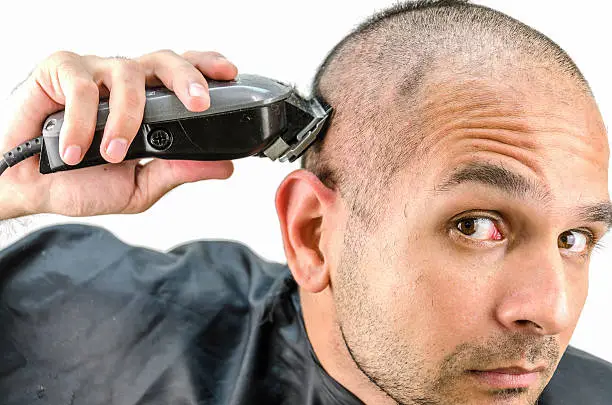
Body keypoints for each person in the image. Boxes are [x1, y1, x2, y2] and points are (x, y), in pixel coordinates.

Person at [0, 0, 610, 404]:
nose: (551, 310)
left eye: (577, 238)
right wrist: (8, 188)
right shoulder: (92, 326)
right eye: (477, 225)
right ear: (312, 232)